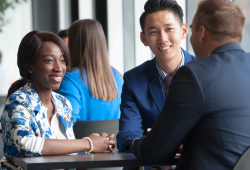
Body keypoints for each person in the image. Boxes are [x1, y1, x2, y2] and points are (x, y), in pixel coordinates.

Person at [130, 0, 250, 170]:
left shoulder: (195, 74)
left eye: (192, 30)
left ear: (201, 34)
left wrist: (139, 144)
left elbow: (153, 152)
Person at [0, 31, 115, 166]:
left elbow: (70, 157)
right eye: (49, 60)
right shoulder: (17, 102)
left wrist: (98, 147)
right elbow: (26, 145)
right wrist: (88, 143)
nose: (59, 68)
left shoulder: (63, 103)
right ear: (29, 66)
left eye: (62, 60)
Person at [117, 0, 194, 153]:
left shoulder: (205, 71)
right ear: (143, 38)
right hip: (151, 162)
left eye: (169, 29)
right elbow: (127, 135)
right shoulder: (134, 80)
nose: (163, 38)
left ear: (183, 31)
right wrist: (152, 145)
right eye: (153, 32)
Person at [56, 19, 123, 124]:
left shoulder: (70, 79)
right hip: (114, 140)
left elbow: (66, 123)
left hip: (83, 140)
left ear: (74, 44)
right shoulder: (118, 77)